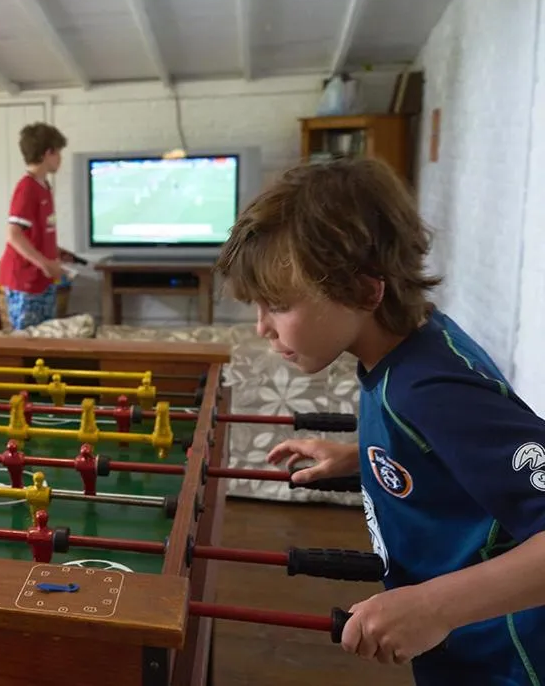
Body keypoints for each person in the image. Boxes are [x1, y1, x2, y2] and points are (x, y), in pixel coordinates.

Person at [215, 157, 544, 684]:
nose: (262, 328)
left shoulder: (431, 389)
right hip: (460, 645)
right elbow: (451, 456)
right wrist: (362, 458)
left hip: (511, 659)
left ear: (366, 290)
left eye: (276, 304)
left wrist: (434, 606)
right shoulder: (405, 349)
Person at [0, 122, 74, 330]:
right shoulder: (27, 188)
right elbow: (13, 234)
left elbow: (36, 232)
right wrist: (45, 264)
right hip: (26, 281)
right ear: (48, 153)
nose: (60, 159)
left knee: (45, 335)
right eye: (58, 152)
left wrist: (54, 251)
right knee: (29, 339)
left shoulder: (44, 186)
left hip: (42, 278)